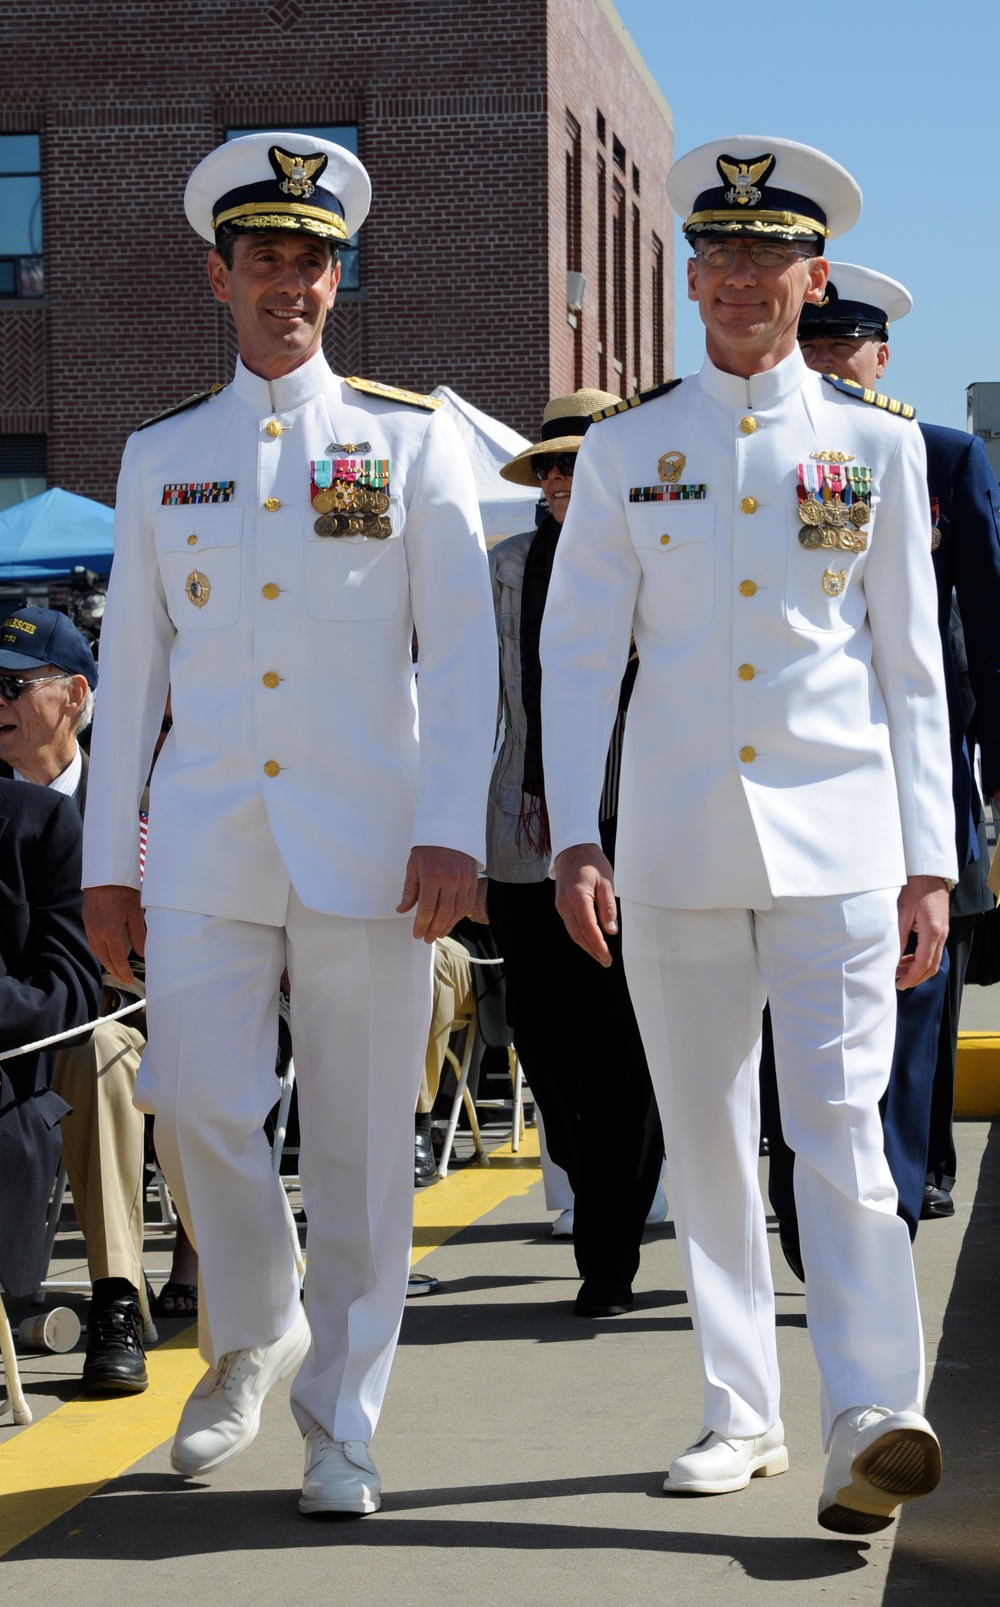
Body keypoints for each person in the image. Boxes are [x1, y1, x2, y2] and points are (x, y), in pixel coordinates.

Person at [539, 136, 956, 1533]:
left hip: (841, 845)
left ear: (810, 272)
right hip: (670, 849)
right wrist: (579, 833)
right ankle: (740, 1407)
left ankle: (873, 1411)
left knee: (839, 1131)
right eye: (718, 254)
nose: (741, 278)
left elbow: (910, 668)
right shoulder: (626, 447)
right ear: (691, 273)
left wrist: (932, 860)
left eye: (769, 255)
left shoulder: (877, 447)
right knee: (709, 1139)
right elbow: (580, 655)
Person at [81, 132, 496, 1515]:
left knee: (369, 1149)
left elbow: (461, 658)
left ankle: (344, 1423)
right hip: (205, 839)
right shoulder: (161, 455)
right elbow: (128, 676)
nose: (291, 282)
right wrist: (105, 866)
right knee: (195, 1097)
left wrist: (452, 824)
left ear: (338, 277)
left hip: (375, 847)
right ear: (220, 277)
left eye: (312, 260)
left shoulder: (407, 437)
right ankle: (257, 1327)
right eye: (266, 258)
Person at [791, 264, 1000, 1226]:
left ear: (881, 355)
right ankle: (817, 1207)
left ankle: (899, 1197)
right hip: (800, 775)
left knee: (921, 994)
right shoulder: (765, 455)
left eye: (844, 347)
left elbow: (989, 630)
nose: (828, 362)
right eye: (813, 344)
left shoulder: (941, 456)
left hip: (921, 764)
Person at [480, 390, 665, 1318]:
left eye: (578, 462)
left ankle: (609, 1250)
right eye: (549, 466)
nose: (561, 479)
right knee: (549, 1051)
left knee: (627, 1051)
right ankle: (599, 1189)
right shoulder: (504, 567)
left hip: (639, 834)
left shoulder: (655, 555)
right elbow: (477, 705)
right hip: (524, 839)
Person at [0, 607, 151, 1391]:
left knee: (99, 1057)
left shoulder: (134, 799)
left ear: (74, 695)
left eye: (12, 685)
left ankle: (116, 1295)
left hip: (134, 1020)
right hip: (17, 1031)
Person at [0, 777, 102, 1302]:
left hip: (16, 1083)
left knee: (105, 1067)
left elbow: (73, 994)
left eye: (13, 688)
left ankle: (117, 1293)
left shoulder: (38, 820)